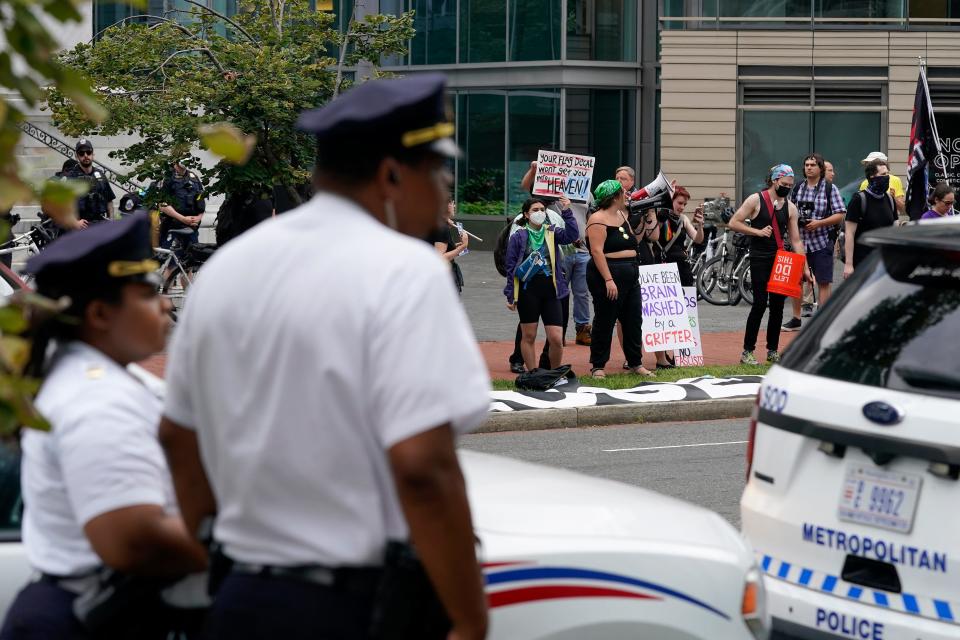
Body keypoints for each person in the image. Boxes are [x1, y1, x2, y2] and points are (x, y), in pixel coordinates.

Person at [158, 74, 490, 640]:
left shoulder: (228, 269)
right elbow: (424, 468)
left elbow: (177, 437)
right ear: (391, 174)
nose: (443, 194)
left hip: (240, 598)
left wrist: (213, 548)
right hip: (352, 605)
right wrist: (468, 620)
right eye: (438, 173)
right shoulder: (405, 270)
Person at [0, 214, 209, 640]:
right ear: (99, 313)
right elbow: (136, 541)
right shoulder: (95, 399)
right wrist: (238, 543)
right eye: (148, 294)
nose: (166, 303)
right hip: (92, 617)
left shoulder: (106, 379)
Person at [729, 164, 808, 365]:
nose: (787, 188)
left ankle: (772, 350)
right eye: (784, 184)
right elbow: (734, 222)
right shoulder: (756, 200)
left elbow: (796, 240)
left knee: (778, 306)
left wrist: (805, 268)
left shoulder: (790, 207)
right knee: (759, 303)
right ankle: (747, 351)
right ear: (774, 180)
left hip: (781, 259)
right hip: (759, 257)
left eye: (790, 185)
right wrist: (756, 232)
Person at [519, 160, 592, 348]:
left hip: (583, 250)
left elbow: (590, 217)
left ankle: (582, 330)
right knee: (561, 293)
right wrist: (534, 169)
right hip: (560, 250)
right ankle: (559, 333)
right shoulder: (551, 193)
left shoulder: (586, 193)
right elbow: (526, 186)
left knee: (582, 293)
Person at [585, 180, 651, 378]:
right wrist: (608, 279)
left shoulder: (623, 215)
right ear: (614, 197)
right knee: (605, 319)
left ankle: (635, 362)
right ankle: (598, 365)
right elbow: (596, 251)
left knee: (633, 319)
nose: (626, 196)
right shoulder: (597, 218)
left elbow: (633, 241)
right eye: (623, 193)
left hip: (630, 272)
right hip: (609, 273)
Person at [504, 196, 578, 371]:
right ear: (526, 214)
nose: (539, 213)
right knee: (528, 335)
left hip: (551, 291)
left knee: (556, 338)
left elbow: (572, 235)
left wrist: (567, 211)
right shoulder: (518, 236)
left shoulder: (552, 232)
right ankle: (532, 373)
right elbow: (510, 267)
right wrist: (510, 294)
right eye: (535, 210)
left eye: (542, 210)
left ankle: (554, 373)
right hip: (528, 291)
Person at [782, 153, 845, 332]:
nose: (809, 167)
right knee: (797, 281)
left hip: (821, 241)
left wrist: (819, 223)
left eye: (813, 165)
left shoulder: (829, 189)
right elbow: (789, 209)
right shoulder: (797, 188)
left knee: (823, 281)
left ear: (820, 168)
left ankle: (822, 319)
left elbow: (840, 213)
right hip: (799, 242)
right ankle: (796, 318)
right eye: (807, 165)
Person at [844, 159, 898, 279]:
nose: (887, 177)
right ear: (872, 176)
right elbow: (849, 233)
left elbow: (895, 229)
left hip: (884, 262)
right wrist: (848, 265)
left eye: (888, 174)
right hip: (863, 263)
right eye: (883, 174)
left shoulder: (889, 199)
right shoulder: (859, 199)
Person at [63, 139, 116, 228]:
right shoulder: (70, 177)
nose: (86, 155)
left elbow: (109, 201)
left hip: (101, 225)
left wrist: (111, 220)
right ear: (77, 157)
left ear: (93, 155)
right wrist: (75, 222)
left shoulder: (101, 176)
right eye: (81, 153)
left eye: (88, 152)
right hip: (81, 226)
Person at [157, 159, 205, 250]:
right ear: (175, 162)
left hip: (191, 227)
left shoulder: (193, 177)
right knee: (167, 259)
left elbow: (201, 199)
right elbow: (162, 204)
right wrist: (182, 219)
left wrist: (199, 217)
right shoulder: (167, 177)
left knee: (193, 256)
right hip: (172, 226)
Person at [428, 200, 468, 294]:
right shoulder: (442, 227)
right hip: (443, 276)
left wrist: (454, 247)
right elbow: (439, 258)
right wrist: (462, 247)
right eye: (452, 203)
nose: (454, 206)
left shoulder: (438, 224)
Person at [858, 152, 906, 216]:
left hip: (891, 221)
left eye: (870, 163)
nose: (868, 166)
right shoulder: (864, 183)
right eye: (867, 164)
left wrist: (891, 198)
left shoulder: (895, 180)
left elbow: (902, 208)